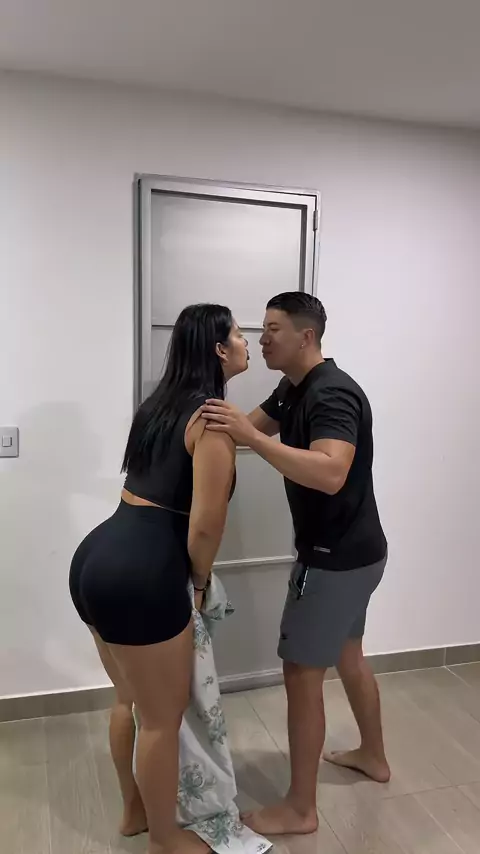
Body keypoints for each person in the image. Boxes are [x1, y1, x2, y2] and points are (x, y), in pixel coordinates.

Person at [202, 291, 389, 837]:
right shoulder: (294, 387)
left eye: (272, 329)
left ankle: (301, 809)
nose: (261, 339)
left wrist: (248, 438)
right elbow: (249, 430)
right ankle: (373, 756)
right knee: (349, 654)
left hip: (334, 560)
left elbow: (330, 472)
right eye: (259, 330)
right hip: (359, 553)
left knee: (302, 674)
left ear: (306, 336)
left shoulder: (332, 393)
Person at [69, 304, 249, 854]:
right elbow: (206, 526)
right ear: (219, 349)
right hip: (143, 575)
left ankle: (134, 812)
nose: (247, 342)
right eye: (239, 334)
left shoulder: (159, 405)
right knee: (161, 720)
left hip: (97, 556)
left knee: (127, 698)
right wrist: (199, 582)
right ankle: (166, 839)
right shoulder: (212, 422)